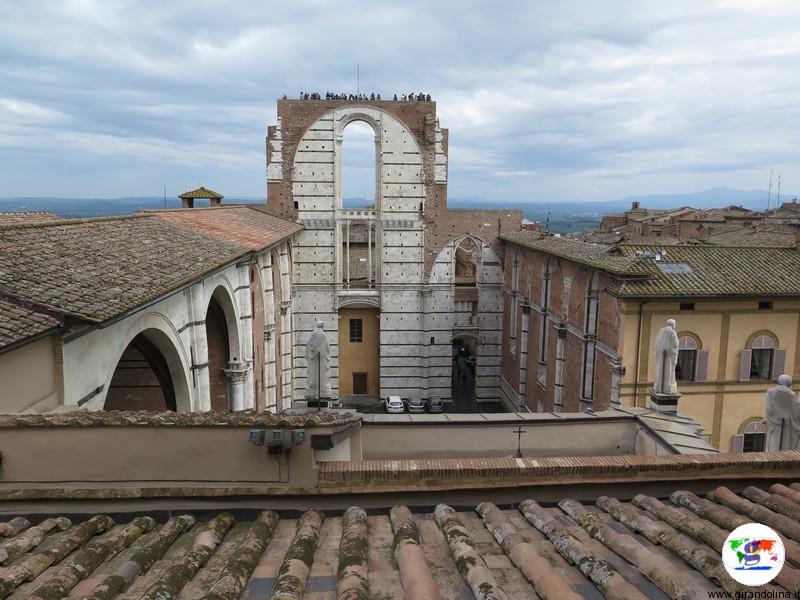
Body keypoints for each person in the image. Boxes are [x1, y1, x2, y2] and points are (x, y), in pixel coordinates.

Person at [765, 375, 800, 450]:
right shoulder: (791, 394)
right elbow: (796, 410)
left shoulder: (770, 392)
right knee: (784, 444)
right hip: (787, 424)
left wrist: (768, 419)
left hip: (773, 423)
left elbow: (768, 409)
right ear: (789, 383)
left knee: (773, 444)